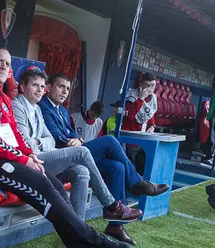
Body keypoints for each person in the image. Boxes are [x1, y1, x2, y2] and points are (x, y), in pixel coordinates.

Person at [0, 48, 131, 248]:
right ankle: (94, 240)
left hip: (2, 160)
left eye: (7, 64)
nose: (4, 66)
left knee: (53, 183)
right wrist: (23, 159)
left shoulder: (4, 100)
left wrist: (30, 155)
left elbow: (15, 134)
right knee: (43, 184)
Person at [39, 73, 168, 245]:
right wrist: (73, 141)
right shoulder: (43, 106)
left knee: (117, 167)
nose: (64, 91)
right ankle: (138, 182)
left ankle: (116, 225)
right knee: (110, 141)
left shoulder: (61, 110)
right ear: (49, 87)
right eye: (61, 86)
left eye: (68, 88)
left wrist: (77, 139)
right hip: (60, 156)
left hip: (74, 152)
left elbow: (71, 134)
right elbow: (56, 137)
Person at [12, 69, 141, 224]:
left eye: (41, 86)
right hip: (32, 161)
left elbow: (51, 140)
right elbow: (28, 145)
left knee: (82, 171)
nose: (40, 90)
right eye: (35, 85)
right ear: (23, 87)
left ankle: (78, 229)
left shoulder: (37, 108)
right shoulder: (17, 105)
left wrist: (42, 142)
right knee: (91, 148)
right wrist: (42, 142)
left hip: (47, 156)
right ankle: (112, 205)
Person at [121, 72, 159, 175]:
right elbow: (130, 116)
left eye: (153, 86)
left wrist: (152, 125)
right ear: (141, 84)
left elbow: (150, 115)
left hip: (143, 137)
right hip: (130, 137)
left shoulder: (153, 97)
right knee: (130, 165)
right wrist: (140, 99)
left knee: (142, 165)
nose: (150, 89)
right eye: (148, 85)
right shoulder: (131, 96)